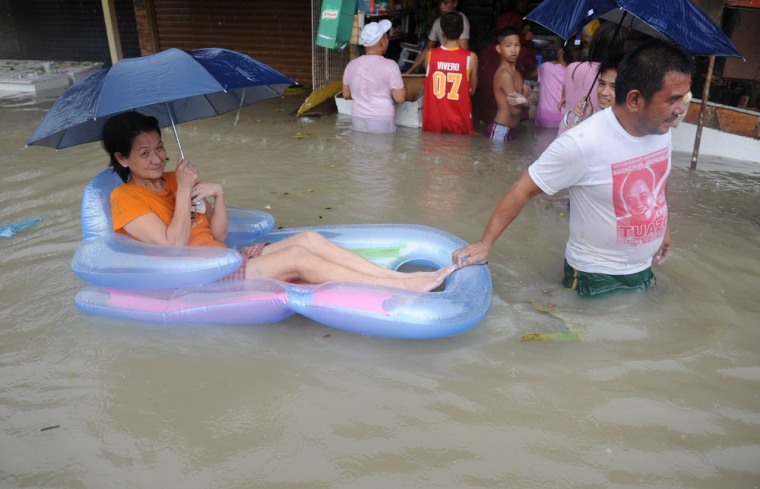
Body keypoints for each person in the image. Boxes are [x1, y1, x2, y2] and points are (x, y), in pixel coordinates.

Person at [103, 112, 454, 291]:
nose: (156, 158)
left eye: (159, 148)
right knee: (299, 258)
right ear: (122, 159)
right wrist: (182, 193)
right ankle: (401, 285)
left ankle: (387, 276)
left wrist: (218, 195)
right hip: (199, 278)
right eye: (144, 153)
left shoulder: (173, 179)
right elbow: (174, 247)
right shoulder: (125, 197)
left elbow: (218, 236)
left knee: (309, 240)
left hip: (223, 258)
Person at [453, 39, 695, 297]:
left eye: (684, 98)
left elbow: (658, 181)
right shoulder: (582, 143)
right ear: (635, 99)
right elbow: (523, 189)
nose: (680, 110)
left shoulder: (662, 129)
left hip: (642, 267)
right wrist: (484, 243)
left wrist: (663, 229)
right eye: (672, 100)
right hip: (595, 276)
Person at [557, 22, 624, 136]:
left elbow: (563, 98)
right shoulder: (613, 76)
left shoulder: (572, 67)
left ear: (595, 43)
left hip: (566, 129)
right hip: (591, 134)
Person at [342, 20, 407, 134]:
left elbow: (346, 95)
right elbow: (400, 98)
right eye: (386, 37)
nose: (387, 40)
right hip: (382, 120)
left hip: (358, 119)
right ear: (382, 41)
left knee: (360, 151)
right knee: (382, 151)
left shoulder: (351, 65)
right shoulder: (391, 65)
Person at [422, 12, 478, 135]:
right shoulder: (471, 58)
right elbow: (472, 91)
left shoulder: (430, 55)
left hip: (433, 123)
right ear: (462, 30)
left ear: (442, 32)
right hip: (459, 124)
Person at [404, 0, 470, 75]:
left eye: (445, 3)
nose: (441, 6)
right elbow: (428, 48)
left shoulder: (461, 21)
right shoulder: (437, 22)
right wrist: (410, 70)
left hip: (455, 68)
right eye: (440, 3)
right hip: (443, 65)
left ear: (455, 3)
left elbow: (464, 52)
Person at [488, 26, 531, 141]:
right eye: (508, 46)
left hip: (510, 129)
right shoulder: (504, 74)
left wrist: (524, 101)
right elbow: (515, 110)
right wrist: (526, 97)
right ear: (499, 48)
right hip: (500, 129)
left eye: (516, 45)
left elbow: (521, 104)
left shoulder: (517, 73)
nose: (513, 50)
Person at [564, 55, 619, 129]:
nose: (603, 92)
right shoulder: (601, 120)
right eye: (602, 84)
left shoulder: (624, 128)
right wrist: (585, 120)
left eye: (614, 87)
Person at [534, 43, 570, 129]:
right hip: (565, 118)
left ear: (561, 52)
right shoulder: (573, 71)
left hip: (545, 116)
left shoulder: (545, 67)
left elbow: (533, 75)